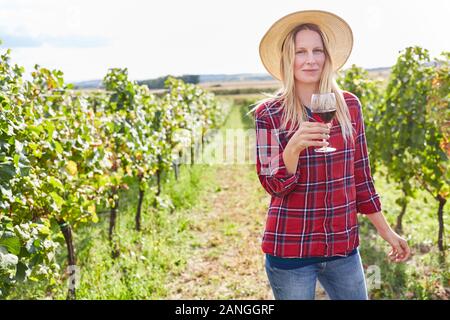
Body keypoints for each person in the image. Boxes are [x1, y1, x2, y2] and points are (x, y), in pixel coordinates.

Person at [252, 10, 410, 300]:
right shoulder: (268, 115)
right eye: (300, 51)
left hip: (343, 247)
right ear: (288, 58)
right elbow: (273, 185)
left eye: (317, 50)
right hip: (291, 249)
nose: (310, 59)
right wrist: (294, 148)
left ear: (327, 56)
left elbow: (361, 179)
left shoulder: (349, 106)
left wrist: (389, 233)